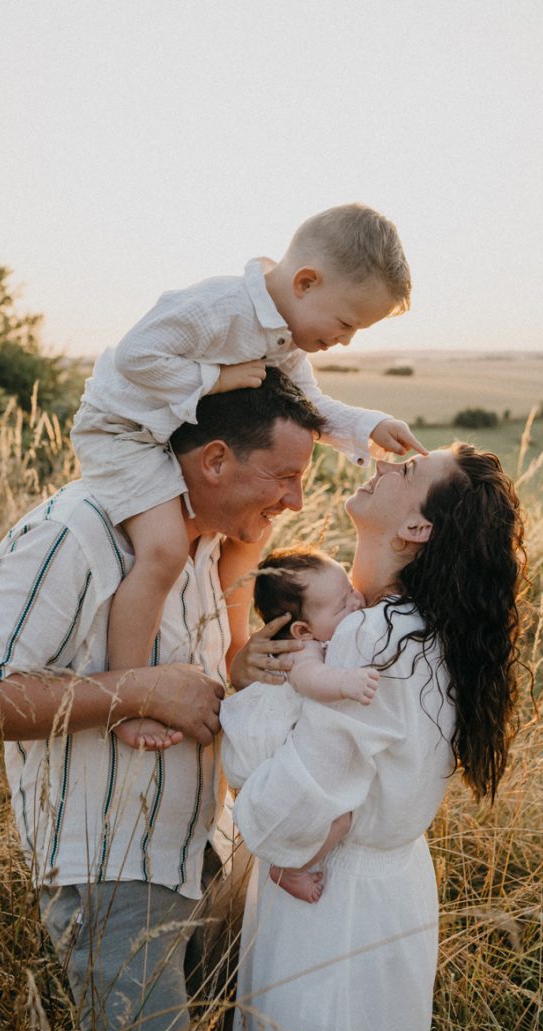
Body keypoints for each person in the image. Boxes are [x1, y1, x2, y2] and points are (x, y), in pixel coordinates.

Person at [0, 368, 326, 1031]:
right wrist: (139, 691)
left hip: (200, 856)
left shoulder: (207, 543)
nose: (296, 500)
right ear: (214, 459)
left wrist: (237, 674)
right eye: (284, 476)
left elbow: (189, 678)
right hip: (111, 877)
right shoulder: (74, 533)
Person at [221, 444, 527, 1031]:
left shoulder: (370, 636)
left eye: (407, 470)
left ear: (417, 529)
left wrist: (240, 775)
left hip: (330, 900)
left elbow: (290, 824)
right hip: (393, 891)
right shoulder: (422, 626)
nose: (385, 463)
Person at [70, 203, 427, 679]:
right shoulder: (221, 307)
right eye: (346, 324)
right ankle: (130, 685)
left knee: (249, 539)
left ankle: (232, 659)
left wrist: (369, 425)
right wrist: (215, 377)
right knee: (164, 551)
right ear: (305, 283)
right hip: (123, 433)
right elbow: (136, 356)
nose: (345, 341)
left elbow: (309, 405)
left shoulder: (287, 341)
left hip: (172, 438)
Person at [223, 547, 379, 903]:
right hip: (268, 765)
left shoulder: (322, 630)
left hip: (275, 768)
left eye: (351, 590)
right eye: (343, 605)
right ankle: (290, 869)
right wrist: (346, 683)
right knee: (342, 820)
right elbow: (309, 679)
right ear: (302, 629)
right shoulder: (302, 650)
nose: (357, 601)